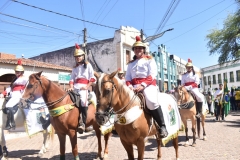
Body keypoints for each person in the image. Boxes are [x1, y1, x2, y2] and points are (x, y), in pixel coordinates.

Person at [125, 36, 168, 138]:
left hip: (148, 85)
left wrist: (142, 85)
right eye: (136, 48)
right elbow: (127, 77)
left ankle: (162, 126)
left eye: (140, 48)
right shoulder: (131, 64)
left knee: (151, 101)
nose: (138, 50)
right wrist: (130, 86)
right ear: (134, 50)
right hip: (133, 86)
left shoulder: (149, 60)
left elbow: (152, 74)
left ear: (143, 49)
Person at [68, 43, 96, 134]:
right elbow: (72, 79)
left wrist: (87, 86)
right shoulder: (74, 68)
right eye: (76, 57)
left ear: (83, 56)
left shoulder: (88, 65)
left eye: (79, 56)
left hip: (84, 88)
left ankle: (83, 123)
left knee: (83, 101)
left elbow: (92, 78)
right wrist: (71, 87)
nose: (78, 58)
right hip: (75, 87)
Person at [0, 59, 28, 130]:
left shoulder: (24, 79)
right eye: (16, 71)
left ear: (21, 72)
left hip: (17, 95)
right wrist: (3, 93)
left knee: (8, 105)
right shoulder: (15, 79)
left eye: (18, 72)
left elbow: (25, 88)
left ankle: (11, 123)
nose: (16, 73)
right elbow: (9, 88)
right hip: (12, 95)